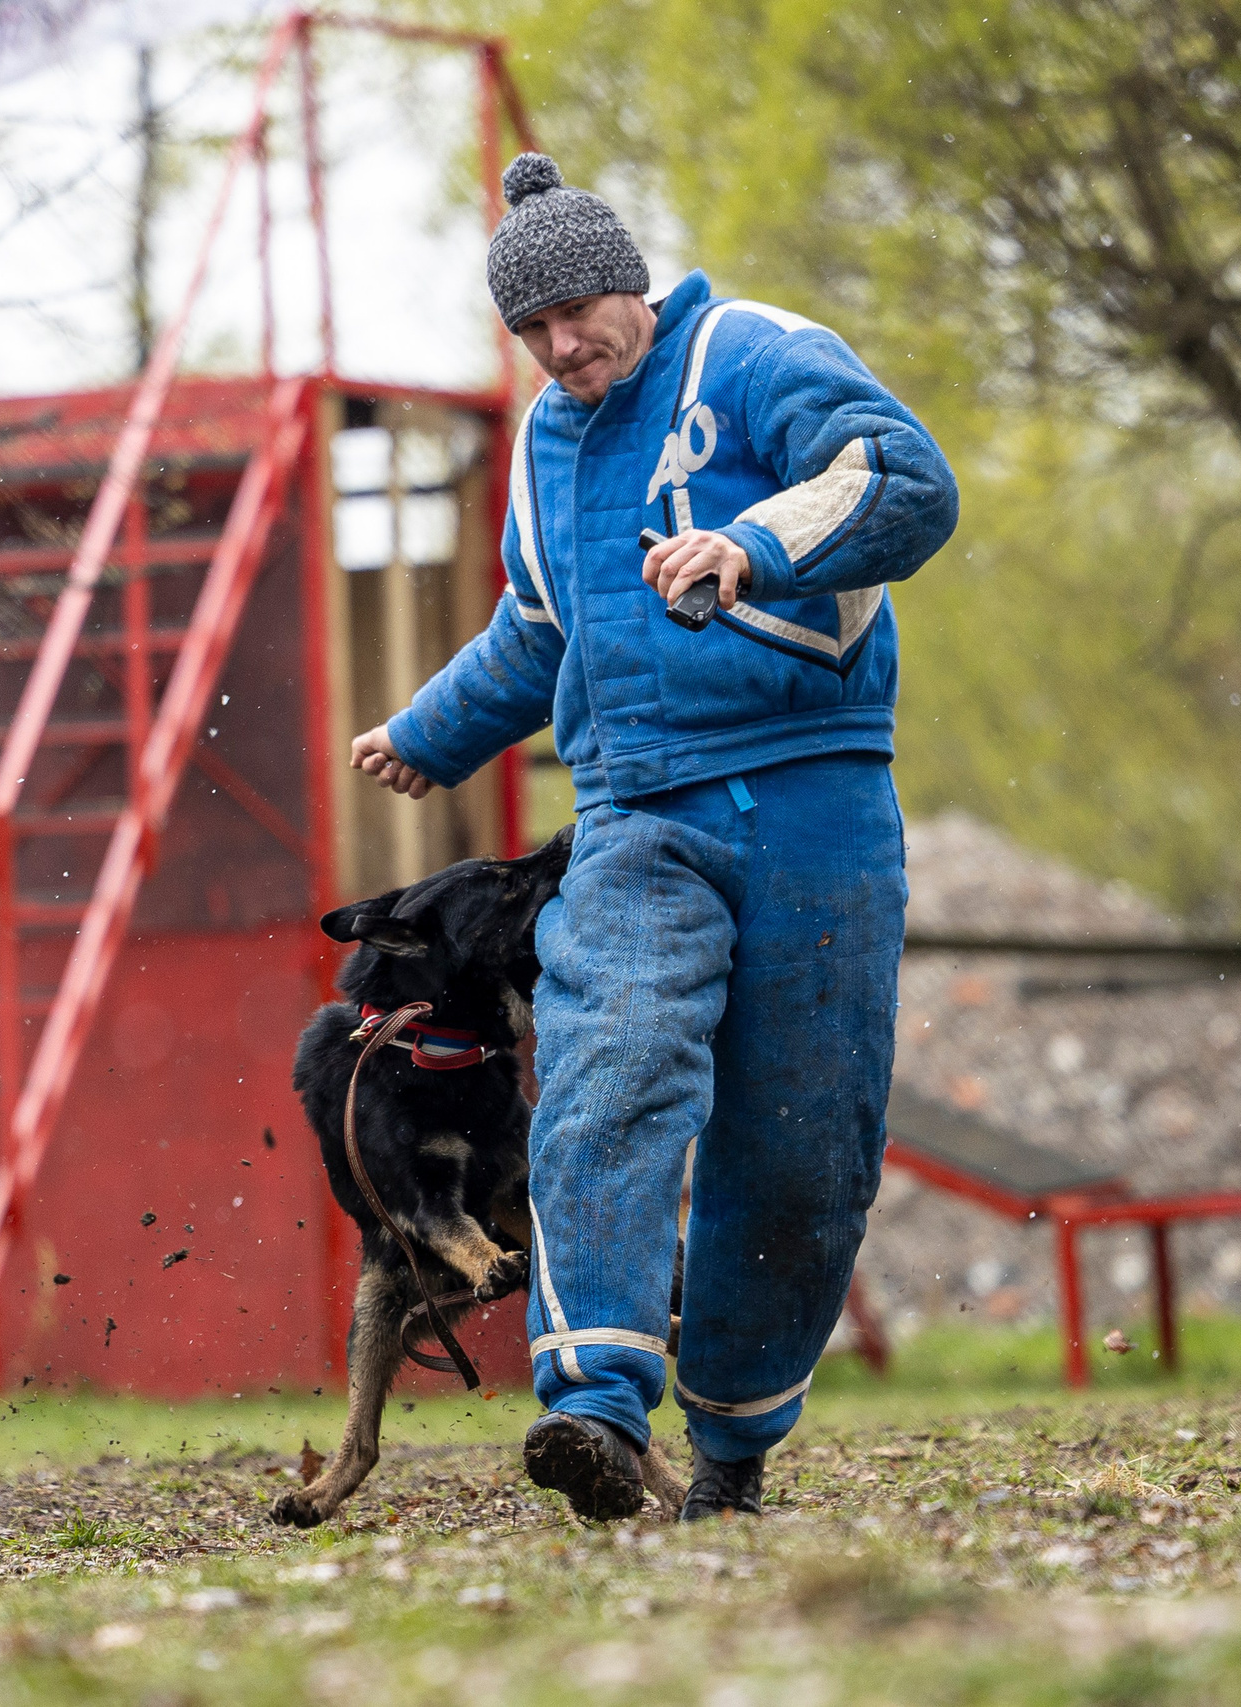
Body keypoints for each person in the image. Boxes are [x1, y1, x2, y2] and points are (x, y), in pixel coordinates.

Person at [349, 152, 958, 1521]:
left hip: (816, 800)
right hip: (635, 812)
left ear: (632, 284)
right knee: (606, 1059)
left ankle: (731, 1449)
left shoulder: (750, 353)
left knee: (801, 1141)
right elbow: (538, 631)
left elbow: (906, 480)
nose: (563, 347)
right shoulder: (541, 444)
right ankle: (597, 1409)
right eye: (534, 331)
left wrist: (752, 545)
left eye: (580, 313)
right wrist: (430, 730)